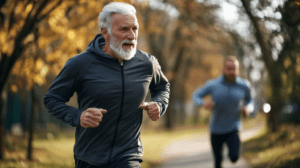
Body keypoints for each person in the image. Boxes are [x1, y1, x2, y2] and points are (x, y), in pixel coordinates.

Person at [43, 2, 170, 168]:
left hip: (128, 154)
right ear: (105, 32)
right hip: (88, 157)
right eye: (124, 29)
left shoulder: (146, 63)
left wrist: (159, 104)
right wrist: (78, 116)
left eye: (135, 28)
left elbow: (162, 87)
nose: (132, 35)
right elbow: (52, 99)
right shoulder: (80, 64)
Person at [192, 56, 253, 168]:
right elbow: (196, 95)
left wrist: (248, 109)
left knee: (234, 157)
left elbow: (250, 101)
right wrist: (203, 103)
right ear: (223, 69)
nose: (231, 71)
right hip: (216, 130)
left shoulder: (244, 86)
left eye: (234, 68)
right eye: (228, 68)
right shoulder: (213, 85)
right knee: (218, 161)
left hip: (234, 128)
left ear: (238, 70)